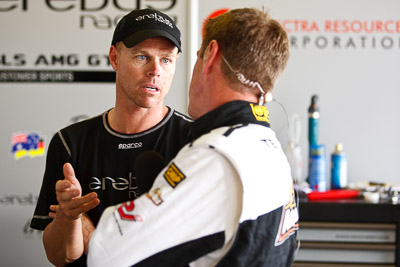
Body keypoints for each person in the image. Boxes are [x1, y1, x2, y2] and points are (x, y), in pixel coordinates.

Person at [87, 7, 299, 267]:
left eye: (196, 56)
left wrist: (85, 226)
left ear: (210, 55)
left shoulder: (216, 156)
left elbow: (108, 254)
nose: (156, 70)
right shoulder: (267, 145)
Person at [30, 8, 192, 267]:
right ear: (115, 58)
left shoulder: (195, 139)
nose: (155, 71)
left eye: (166, 60)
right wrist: (70, 218)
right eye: (142, 57)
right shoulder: (70, 141)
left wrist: (95, 237)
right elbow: (60, 257)